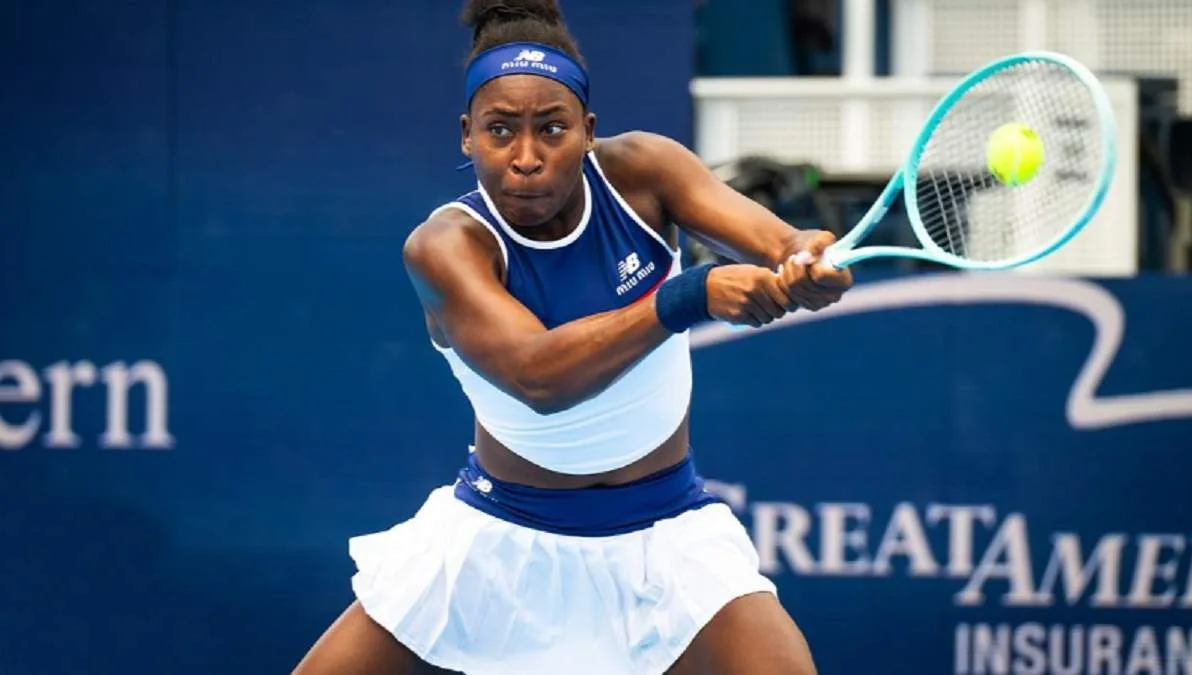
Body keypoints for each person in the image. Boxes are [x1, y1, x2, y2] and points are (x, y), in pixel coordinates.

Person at [294, 1, 852, 673]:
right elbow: (539, 376)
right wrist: (690, 295)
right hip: (498, 538)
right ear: (467, 136)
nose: (526, 158)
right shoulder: (444, 246)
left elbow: (780, 241)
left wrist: (807, 257)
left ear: (588, 131)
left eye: (552, 129)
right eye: (500, 131)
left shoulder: (644, 171)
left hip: (667, 535)